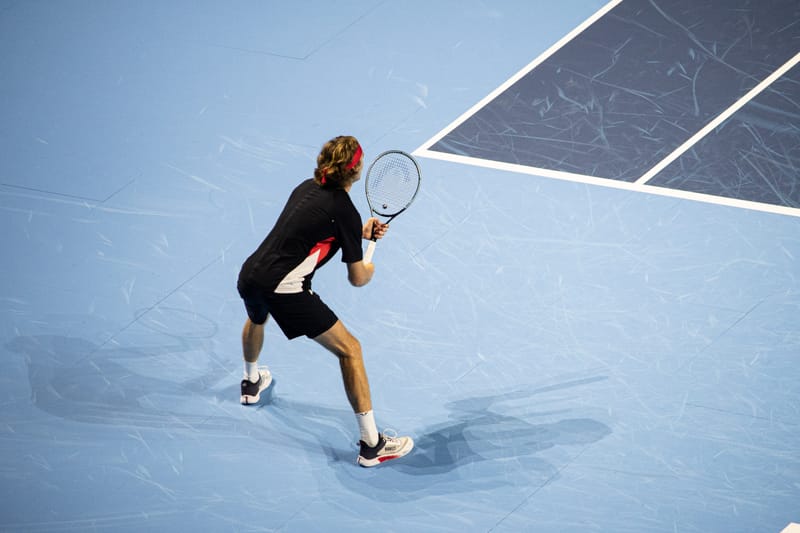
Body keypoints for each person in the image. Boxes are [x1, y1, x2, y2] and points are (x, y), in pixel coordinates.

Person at [236, 135, 414, 467]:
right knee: (351, 349)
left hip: (251, 275)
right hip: (285, 288)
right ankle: (372, 445)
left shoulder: (306, 187)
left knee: (258, 317)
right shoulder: (344, 211)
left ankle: (250, 381)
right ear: (356, 169)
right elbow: (357, 278)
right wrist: (369, 264)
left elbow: (311, 229)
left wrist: (357, 234)